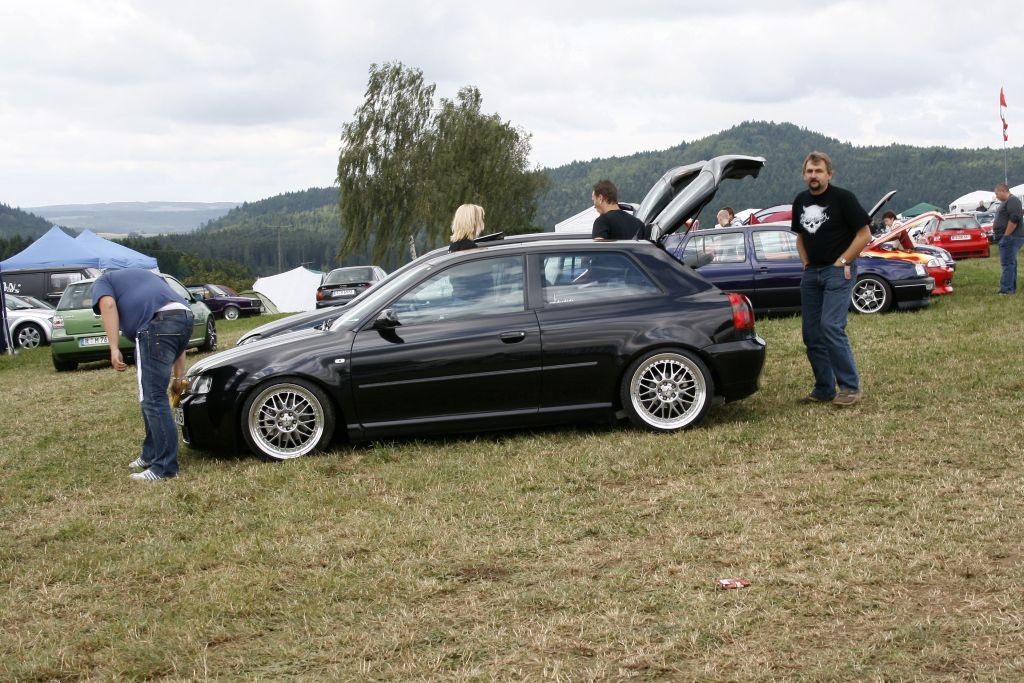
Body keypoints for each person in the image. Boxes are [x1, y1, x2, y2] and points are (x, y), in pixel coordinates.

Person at [93, 268, 194, 481]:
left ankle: (165, 468)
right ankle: (150, 453)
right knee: (149, 394)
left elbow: (108, 305)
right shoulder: (150, 276)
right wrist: (178, 378)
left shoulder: (104, 280)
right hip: (185, 317)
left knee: (153, 398)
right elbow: (177, 338)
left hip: (154, 326)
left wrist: (113, 348)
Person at [791, 151, 872, 407]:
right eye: (810, 171)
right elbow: (800, 236)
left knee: (831, 327)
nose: (813, 176)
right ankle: (824, 388)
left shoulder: (843, 198)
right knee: (811, 334)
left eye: (818, 171)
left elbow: (864, 234)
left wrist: (843, 261)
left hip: (837, 271)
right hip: (812, 273)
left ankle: (849, 387)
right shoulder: (800, 201)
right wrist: (806, 264)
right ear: (804, 175)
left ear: (829, 174)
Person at [993, 183, 1024, 294]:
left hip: (1011, 237)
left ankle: (1006, 290)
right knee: (1010, 263)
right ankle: (1010, 288)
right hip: (1008, 236)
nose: (996, 196)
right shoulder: (1008, 202)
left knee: (1007, 263)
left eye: (997, 193)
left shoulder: (1013, 201)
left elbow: (1014, 219)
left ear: (1003, 190)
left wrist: (1006, 235)